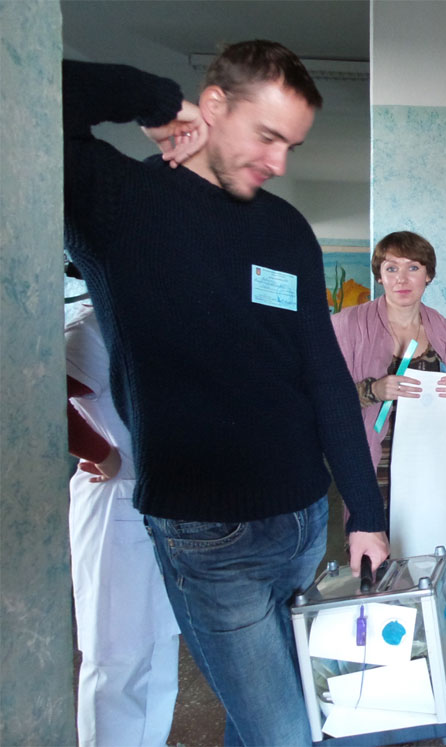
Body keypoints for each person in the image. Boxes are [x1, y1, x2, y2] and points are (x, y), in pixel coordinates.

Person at [63, 40, 389, 745]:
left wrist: (365, 513)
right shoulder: (116, 202)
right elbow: (27, 94)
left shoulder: (285, 228)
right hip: (208, 535)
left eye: (291, 146)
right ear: (212, 106)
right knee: (287, 733)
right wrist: (154, 100)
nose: (279, 163)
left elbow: (324, 375)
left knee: (268, 719)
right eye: (267, 137)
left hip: (303, 522)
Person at [66, 304, 180, 747]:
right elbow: (41, 394)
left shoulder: (147, 313)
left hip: (155, 503)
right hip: (117, 503)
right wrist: (102, 453)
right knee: (118, 659)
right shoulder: (92, 325)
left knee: (158, 652)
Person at [331, 231, 446, 550]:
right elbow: (324, 398)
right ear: (379, 276)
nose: (402, 279)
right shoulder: (347, 326)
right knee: (378, 559)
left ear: (428, 275)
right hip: (375, 467)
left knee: (430, 558)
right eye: (392, 268)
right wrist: (373, 390)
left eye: (413, 267)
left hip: (433, 464)